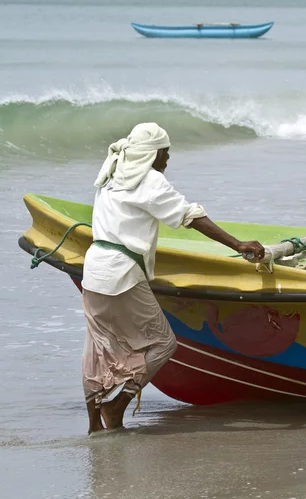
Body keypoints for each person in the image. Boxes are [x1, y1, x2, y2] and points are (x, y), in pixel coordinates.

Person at [81, 122, 265, 434]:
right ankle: (115, 408)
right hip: (122, 273)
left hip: (93, 269)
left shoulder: (113, 170)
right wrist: (238, 245)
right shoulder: (150, 180)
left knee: (98, 346)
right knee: (164, 344)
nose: (168, 160)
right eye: (166, 153)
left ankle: (93, 424)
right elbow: (190, 216)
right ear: (152, 154)